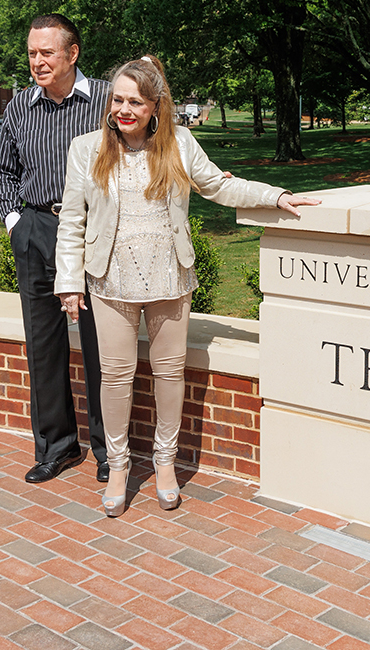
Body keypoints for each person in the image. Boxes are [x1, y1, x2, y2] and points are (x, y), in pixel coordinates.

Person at [54, 56, 319, 517]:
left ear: (156, 105)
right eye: (118, 99)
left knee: (168, 374)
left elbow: (218, 186)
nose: (124, 109)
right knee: (115, 377)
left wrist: (274, 195)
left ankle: (164, 462)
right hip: (109, 279)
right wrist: (69, 282)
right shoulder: (86, 149)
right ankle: (117, 466)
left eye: (136, 101)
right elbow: (72, 221)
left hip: (170, 276)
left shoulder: (178, 144)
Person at [0, 14, 110, 484]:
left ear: (72, 53)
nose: (37, 61)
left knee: (104, 345)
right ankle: (57, 447)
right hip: (38, 227)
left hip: (97, 232)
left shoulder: (107, 98)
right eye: (31, 52)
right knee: (43, 345)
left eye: (47, 52)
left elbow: (155, 142)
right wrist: (15, 224)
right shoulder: (20, 106)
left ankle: (108, 450)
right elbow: (3, 171)